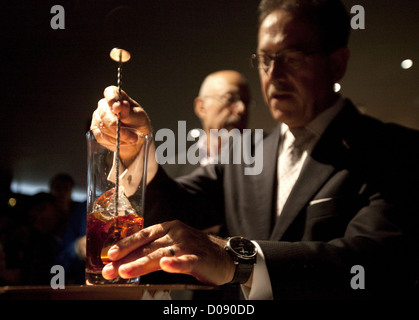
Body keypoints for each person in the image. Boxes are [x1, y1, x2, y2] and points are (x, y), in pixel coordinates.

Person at [90, 0, 419, 299]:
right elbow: (179, 207)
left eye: (291, 58)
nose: (273, 75)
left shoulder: (396, 150)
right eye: (265, 59)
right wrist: (138, 149)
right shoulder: (244, 151)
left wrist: (236, 260)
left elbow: (377, 261)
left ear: (336, 64)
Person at [163, 70, 251, 178]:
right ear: (201, 107)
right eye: (230, 99)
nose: (242, 109)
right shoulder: (171, 171)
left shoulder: (264, 161)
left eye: (246, 102)